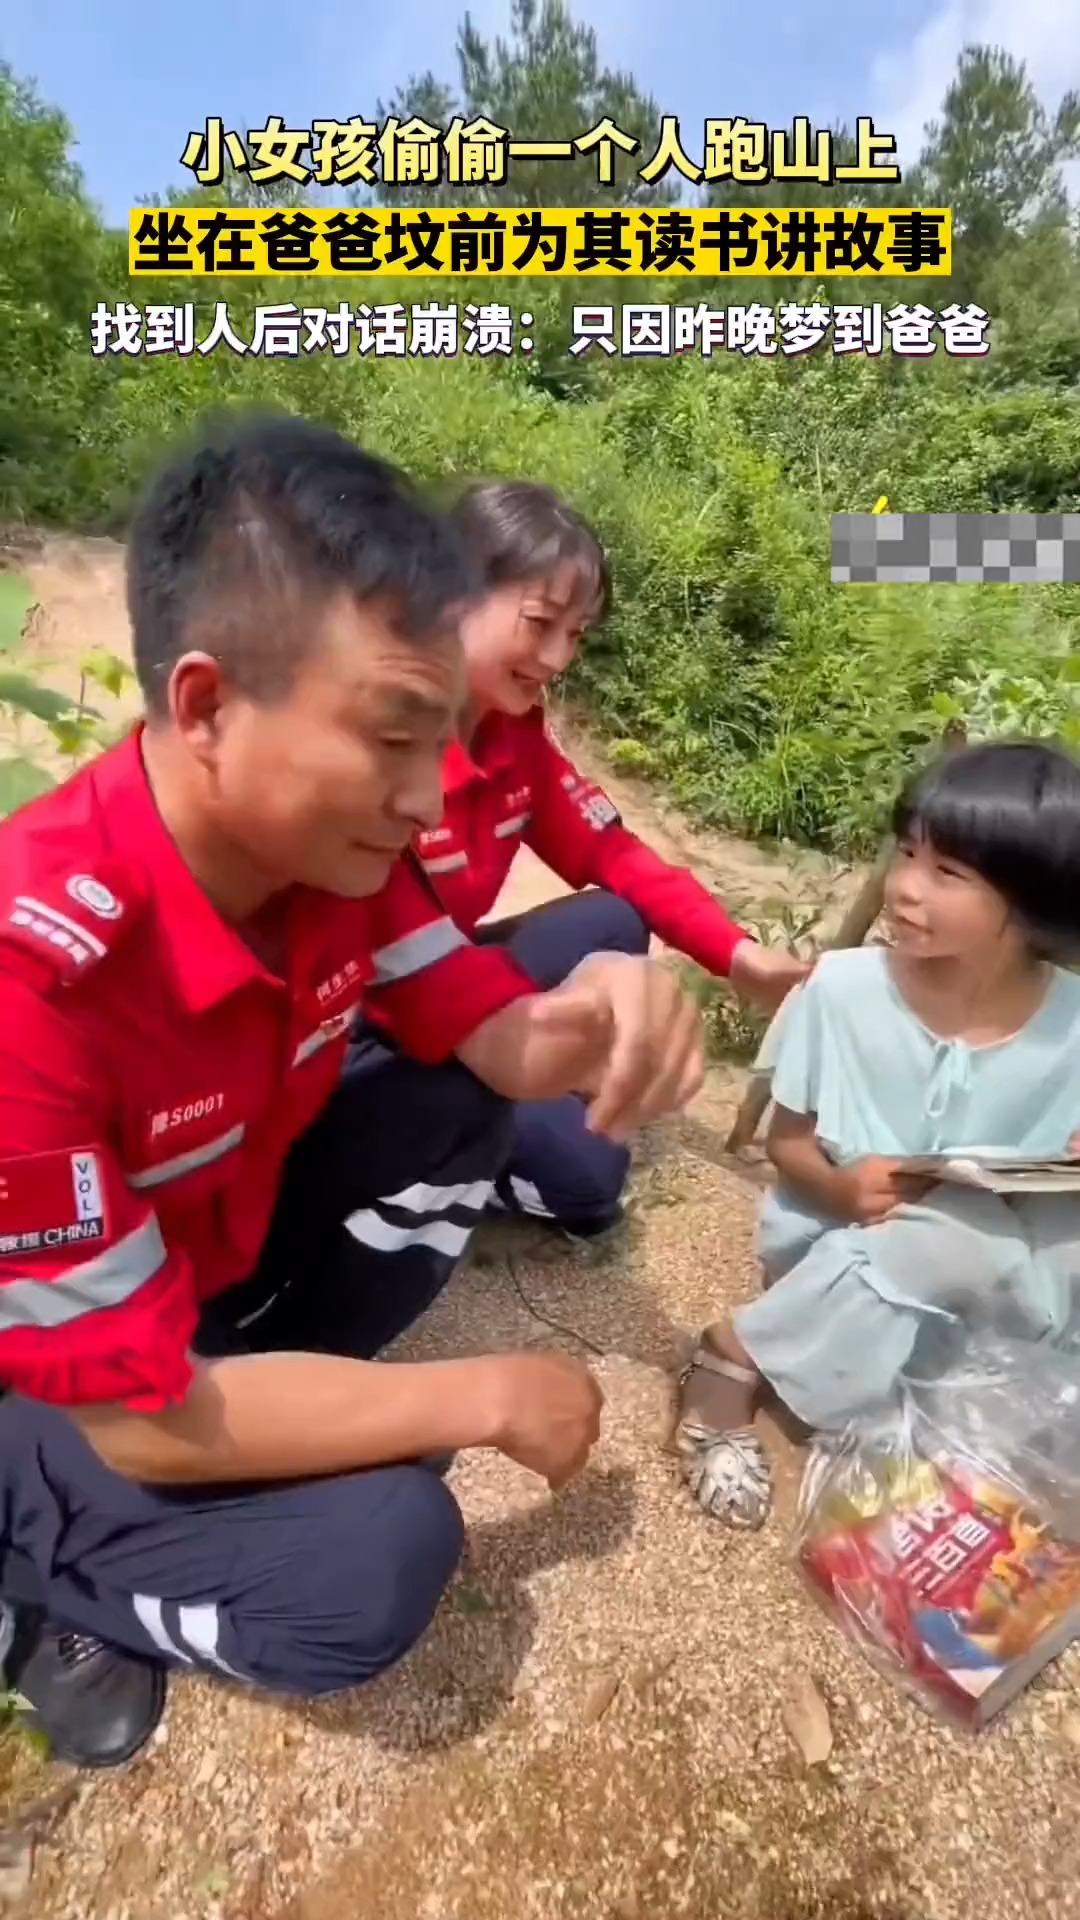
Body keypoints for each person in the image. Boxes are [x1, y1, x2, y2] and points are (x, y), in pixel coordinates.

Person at [0, 415, 708, 1770]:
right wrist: (486, 1398)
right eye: (393, 737)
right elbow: (139, 1409)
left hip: (214, 1263)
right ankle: (50, 1579)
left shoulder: (338, 859)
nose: (428, 791)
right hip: (73, 1369)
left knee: (453, 1101)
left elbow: (498, 1040)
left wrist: (600, 1014)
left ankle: (286, 1407)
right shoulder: (33, 981)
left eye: (439, 738)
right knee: (379, 1560)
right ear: (204, 705)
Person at [674, 737, 1080, 1529]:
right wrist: (838, 1185)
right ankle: (733, 1355)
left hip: (998, 1271)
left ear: (1028, 905)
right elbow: (789, 1143)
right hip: (849, 1244)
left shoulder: (1072, 1022)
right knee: (941, 1241)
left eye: (946, 873)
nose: (904, 888)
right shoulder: (846, 991)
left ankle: (964, 1408)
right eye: (905, 854)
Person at [399, 478, 809, 1239]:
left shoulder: (513, 735)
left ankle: (519, 1096)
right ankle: (426, 1154)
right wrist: (529, 1031)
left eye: (578, 632)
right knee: (589, 1185)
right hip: (374, 1015)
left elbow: (610, 851)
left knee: (613, 917)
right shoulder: (384, 747)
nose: (558, 656)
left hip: (454, 977)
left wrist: (737, 955)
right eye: (540, 622)